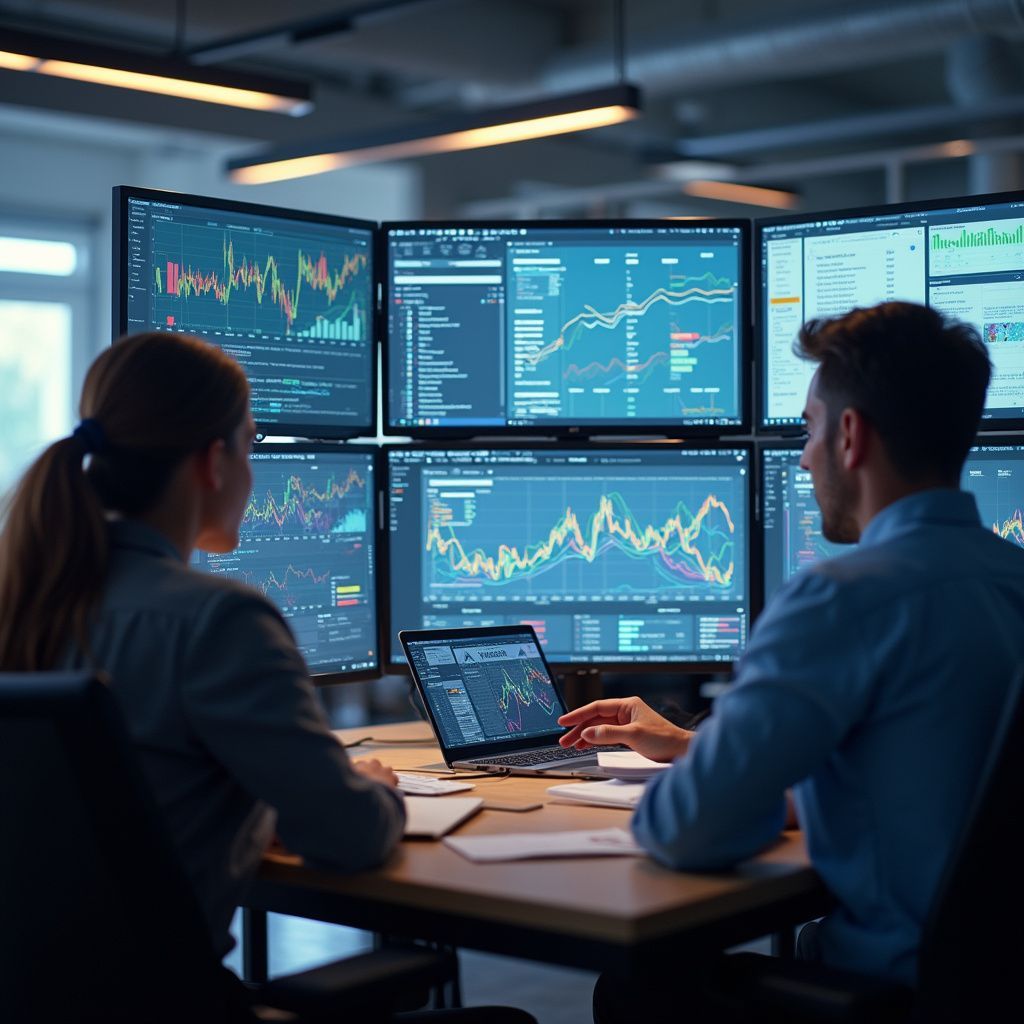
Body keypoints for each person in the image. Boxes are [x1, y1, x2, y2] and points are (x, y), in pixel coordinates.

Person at [557, 302, 1024, 1015]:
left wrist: (734, 789)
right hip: (992, 988)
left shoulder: (841, 600)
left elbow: (686, 830)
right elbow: (932, 778)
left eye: (807, 430)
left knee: (633, 991)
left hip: (886, 991)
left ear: (849, 434)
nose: (802, 457)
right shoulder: (1010, 579)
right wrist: (702, 750)